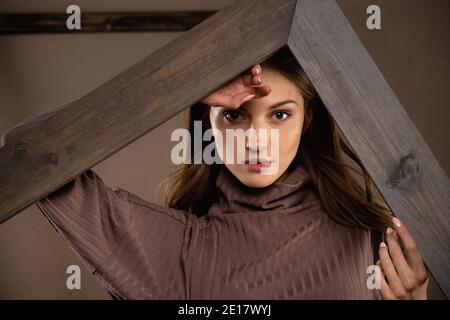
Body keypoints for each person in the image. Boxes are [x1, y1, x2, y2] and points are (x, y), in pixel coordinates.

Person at [1, 46, 428, 300]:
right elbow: (31, 147)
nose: (257, 140)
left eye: (280, 114)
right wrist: (175, 84)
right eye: (236, 117)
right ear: (207, 125)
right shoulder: (174, 252)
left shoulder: (374, 238)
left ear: (308, 119)